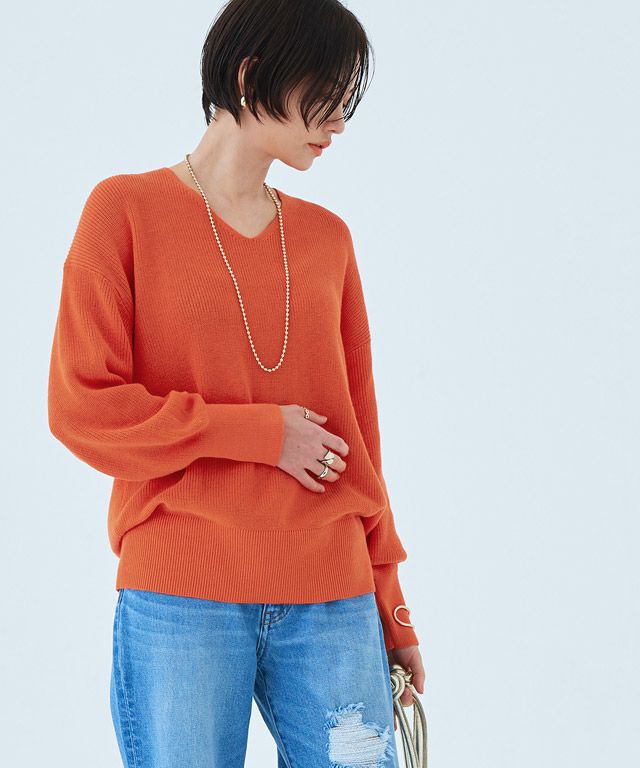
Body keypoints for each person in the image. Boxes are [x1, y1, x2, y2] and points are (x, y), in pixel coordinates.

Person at [47, 0, 425, 765]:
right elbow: (81, 405)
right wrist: (259, 434)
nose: (338, 123)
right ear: (252, 75)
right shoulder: (125, 211)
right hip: (182, 588)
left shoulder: (327, 240)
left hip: (334, 596)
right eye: (324, 96)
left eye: (345, 103)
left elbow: (361, 439)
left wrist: (390, 602)